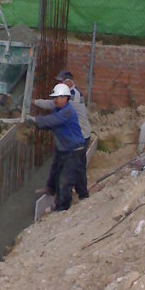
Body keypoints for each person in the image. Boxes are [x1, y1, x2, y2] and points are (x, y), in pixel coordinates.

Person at [34, 70, 91, 200]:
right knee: (57, 164)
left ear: (69, 82)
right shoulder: (65, 96)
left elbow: (54, 113)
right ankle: (51, 189)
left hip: (80, 136)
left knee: (77, 169)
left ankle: (82, 195)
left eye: (61, 81)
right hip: (68, 138)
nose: (59, 83)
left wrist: (35, 104)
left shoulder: (72, 97)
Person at [27, 82, 85, 212]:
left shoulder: (67, 112)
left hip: (74, 150)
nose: (54, 100)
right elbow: (50, 123)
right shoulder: (58, 110)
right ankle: (51, 189)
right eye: (54, 97)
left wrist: (35, 120)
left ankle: (62, 208)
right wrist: (38, 124)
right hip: (63, 148)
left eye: (57, 98)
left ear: (65, 98)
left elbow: (52, 121)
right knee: (55, 171)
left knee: (66, 180)